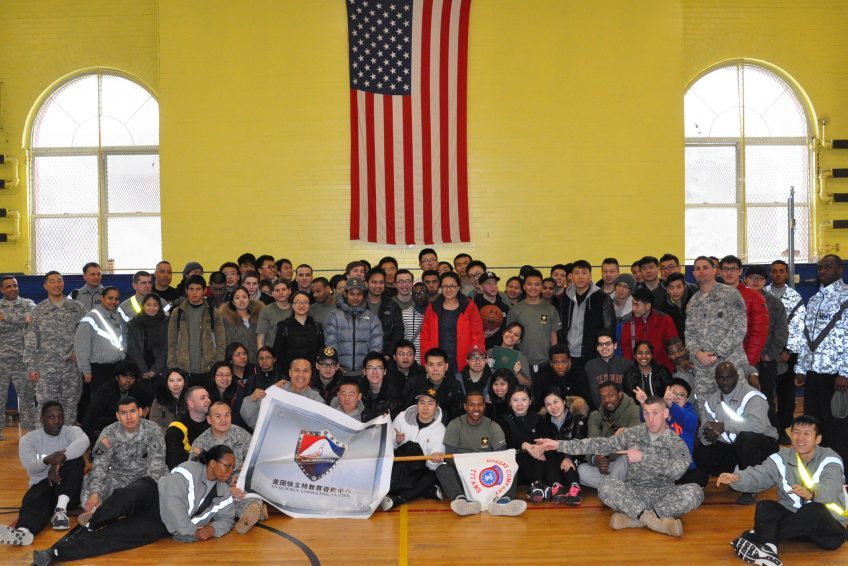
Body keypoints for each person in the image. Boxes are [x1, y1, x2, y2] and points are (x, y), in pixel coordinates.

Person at [32, 445, 236, 565]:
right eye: (227, 466)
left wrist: (212, 529)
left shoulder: (223, 492)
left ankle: (55, 554)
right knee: (122, 499)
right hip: (153, 494)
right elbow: (174, 504)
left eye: (232, 468)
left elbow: (227, 518)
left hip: (161, 524)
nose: (230, 472)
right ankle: (92, 523)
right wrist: (190, 531)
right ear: (212, 463)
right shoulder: (188, 469)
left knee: (115, 538)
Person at [536, 395, 704, 537]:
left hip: (663, 494)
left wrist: (644, 457)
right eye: (646, 413)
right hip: (634, 493)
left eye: (655, 413)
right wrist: (559, 445)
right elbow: (600, 444)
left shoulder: (675, 441)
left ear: (665, 413)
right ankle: (656, 522)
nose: (651, 419)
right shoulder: (634, 433)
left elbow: (678, 471)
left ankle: (636, 519)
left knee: (695, 492)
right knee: (606, 486)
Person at [718, 415, 847, 565]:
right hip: (796, 526)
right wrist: (737, 478)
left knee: (813, 510)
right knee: (765, 506)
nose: (800, 438)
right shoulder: (781, 457)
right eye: (796, 432)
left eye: (806, 433)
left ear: (818, 439)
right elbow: (760, 475)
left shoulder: (830, 458)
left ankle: (759, 536)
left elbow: (832, 487)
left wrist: (812, 493)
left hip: (828, 529)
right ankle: (769, 550)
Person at [0, 403, 88, 546]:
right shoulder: (28, 440)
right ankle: (23, 532)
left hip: (70, 490)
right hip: (44, 486)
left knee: (76, 460)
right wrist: (47, 460)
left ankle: (60, 511)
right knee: (34, 498)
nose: (57, 421)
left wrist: (61, 459)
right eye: (51, 417)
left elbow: (84, 442)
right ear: (42, 419)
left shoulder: (71, 431)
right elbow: (31, 468)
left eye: (60, 417)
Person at [695, 362, 778, 505]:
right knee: (702, 454)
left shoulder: (752, 395)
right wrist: (710, 436)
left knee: (745, 439)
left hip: (763, 444)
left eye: (729, 377)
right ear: (716, 379)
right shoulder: (711, 401)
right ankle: (737, 472)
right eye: (721, 378)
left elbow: (758, 425)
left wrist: (724, 426)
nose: (725, 382)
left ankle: (751, 487)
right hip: (734, 447)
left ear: (737, 377)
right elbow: (703, 434)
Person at [436, 391, 527, 517]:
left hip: (487, 473)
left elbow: (501, 457)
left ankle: (503, 501)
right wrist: (470, 467)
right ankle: (462, 500)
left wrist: (481, 466)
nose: (476, 408)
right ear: (465, 406)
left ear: (484, 406)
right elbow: (451, 457)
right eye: (472, 405)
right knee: (442, 469)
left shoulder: (493, 426)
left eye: (479, 405)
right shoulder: (454, 425)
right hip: (463, 474)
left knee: (511, 465)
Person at [794, 255, 848, 463]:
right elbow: (807, 336)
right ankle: (819, 468)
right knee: (814, 426)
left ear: (840, 270)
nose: (822, 271)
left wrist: (845, 372)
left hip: (836, 377)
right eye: (820, 268)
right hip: (814, 374)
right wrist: (801, 368)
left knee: (838, 429)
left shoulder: (845, 297)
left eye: (828, 267)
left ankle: (840, 472)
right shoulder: (815, 299)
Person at [81, 396, 167, 518]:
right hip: (118, 477)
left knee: (166, 485)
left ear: (140, 412)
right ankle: (94, 513)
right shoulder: (109, 433)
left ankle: (116, 511)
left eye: (132, 411)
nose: (129, 417)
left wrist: (144, 490)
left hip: (145, 477)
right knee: (90, 487)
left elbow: (156, 465)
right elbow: (100, 465)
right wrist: (95, 492)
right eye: (123, 413)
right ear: (117, 416)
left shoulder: (153, 430)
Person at [685, 256, 749, 412]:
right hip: (703, 369)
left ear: (714, 270)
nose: (701, 271)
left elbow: (739, 328)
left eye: (705, 267)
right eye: (697, 268)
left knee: (737, 409)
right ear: (693, 274)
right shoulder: (693, 301)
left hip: (729, 364)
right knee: (707, 411)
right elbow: (689, 333)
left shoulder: (730, 294)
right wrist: (698, 353)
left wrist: (717, 354)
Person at [24, 272, 86, 424]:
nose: (56, 285)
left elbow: (86, 334)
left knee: (70, 406)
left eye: (59, 281)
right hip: (47, 368)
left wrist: (79, 352)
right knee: (45, 407)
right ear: (45, 286)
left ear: (63, 283)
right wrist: (31, 367)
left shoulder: (77, 308)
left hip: (71, 367)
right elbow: (30, 340)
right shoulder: (38, 310)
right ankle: (43, 438)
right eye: (52, 281)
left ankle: (67, 438)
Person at [190, 401, 260, 534]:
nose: (224, 420)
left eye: (227, 415)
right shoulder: (201, 443)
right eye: (218, 416)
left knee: (250, 494)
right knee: (210, 503)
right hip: (213, 488)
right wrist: (226, 489)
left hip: (239, 483)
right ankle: (249, 511)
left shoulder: (241, 435)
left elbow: (255, 462)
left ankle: (249, 510)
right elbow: (196, 478)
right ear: (209, 419)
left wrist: (242, 479)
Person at [381, 387, 446, 510]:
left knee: (431, 476)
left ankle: (398, 499)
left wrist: (435, 459)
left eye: (430, 403)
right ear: (417, 404)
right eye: (422, 402)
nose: (425, 407)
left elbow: (432, 466)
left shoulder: (440, 430)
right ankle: (428, 491)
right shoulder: (402, 417)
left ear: (436, 407)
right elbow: (387, 446)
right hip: (399, 464)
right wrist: (396, 441)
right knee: (410, 447)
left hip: (420, 469)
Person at [634, 377, 704, 486]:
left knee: (700, 477)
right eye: (673, 393)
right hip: (661, 466)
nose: (676, 397)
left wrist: (670, 404)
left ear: (686, 399)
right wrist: (643, 403)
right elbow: (647, 421)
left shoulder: (690, 414)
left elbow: (689, 420)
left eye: (681, 395)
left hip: (683, 467)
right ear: (665, 393)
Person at [745, 265, 789, 434]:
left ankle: (773, 434)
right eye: (752, 278)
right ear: (745, 279)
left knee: (767, 397)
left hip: (764, 360)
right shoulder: (737, 299)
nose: (756, 281)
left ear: (765, 281)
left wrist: (771, 354)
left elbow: (781, 331)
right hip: (742, 359)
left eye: (760, 278)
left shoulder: (775, 303)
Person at [765, 259, 805, 442]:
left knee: (786, 393)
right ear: (770, 273)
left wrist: (788, 350)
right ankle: (769, 427)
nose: (778, 274)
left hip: (787, 354)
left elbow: (799, 326)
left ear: (787, 274)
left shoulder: (795, 297)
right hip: (766, 353)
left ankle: (783, 428)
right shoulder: (763, 294)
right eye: (774, 271)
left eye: (782, 271)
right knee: (766, 392)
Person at [577, 381, 641, 489]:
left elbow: (631, 442)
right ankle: (617, 487)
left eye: (611, 395)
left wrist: (606, 455)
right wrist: (596, 459)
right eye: (603, 397)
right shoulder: (596, 415)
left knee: (625, 458)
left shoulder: (635, 410)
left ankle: (612, 488)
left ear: (620, 394)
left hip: (629, 465)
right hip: (610, 465)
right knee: (581, 471)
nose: (607, 400)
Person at [419, 271, 485, 376]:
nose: (448, 289)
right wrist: (426, 362)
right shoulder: (433, 307)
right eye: (445, 286)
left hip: (463, 363)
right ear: (440, 288)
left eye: (452, 286)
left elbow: (477, 335)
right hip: (437, 364)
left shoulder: (469, 306)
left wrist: (475, 359)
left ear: (458, 287)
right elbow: (425, 337)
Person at [167, 274, 226, 388]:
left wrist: (218, 365)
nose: (194, 293)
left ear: (204, 290)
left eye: (198, 289)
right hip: (183, 368)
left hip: (208, 368)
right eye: (191, 289)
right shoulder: (177, 313)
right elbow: (171, 342)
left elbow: (221, 342)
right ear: (186, 290)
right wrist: (172, 366)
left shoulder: (214, 313)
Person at [533, 387, 589, 505]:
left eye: (556, 402)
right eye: (548, 404)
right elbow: (544, 443)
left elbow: (580, 442)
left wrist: (568, 457)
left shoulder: (577, 417)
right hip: (555, 458)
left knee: (565, 459)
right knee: (548, 457)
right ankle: (557, 486)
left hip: (576, 456)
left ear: (563, 401)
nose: (553, 407)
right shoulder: (544, 420)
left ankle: (575, 488)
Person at [559, 260, 615, 373]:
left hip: (593, 355)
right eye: (576, 273)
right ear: (572, 276)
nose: (580, 277)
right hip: (568, 354)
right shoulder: (565, 297)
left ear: (590, 275)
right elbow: (560, 326)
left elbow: (609, 328)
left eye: (584, 273)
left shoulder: (602, 298)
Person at [506, 270, 561, 381]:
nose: (533, 287)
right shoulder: (515, 309)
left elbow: (553, 335)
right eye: (529, 284)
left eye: (537, 284)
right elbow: (509, 338)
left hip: (545, 363)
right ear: (524, 287)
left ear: (541, 287)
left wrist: (553, 358)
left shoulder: (550, 309)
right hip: (521, 363)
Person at [81, 360, 151, 446]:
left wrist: (146, 409)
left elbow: (149, 399)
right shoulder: (106, 391)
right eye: (124, 377)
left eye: (132, 378)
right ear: (117, 377)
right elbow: (92, 419)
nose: (128, 381)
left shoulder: (134, 388)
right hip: (101, 431)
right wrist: (122, 418)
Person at [74, 286, 127, 398]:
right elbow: (81, 346)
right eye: (110, 298)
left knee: (116, 401)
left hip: (116, 368)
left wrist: (122, 357)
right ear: (102, 298)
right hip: (99, 371)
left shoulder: (118, 316)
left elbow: (123, 340)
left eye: (116, 299)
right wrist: (86, 370)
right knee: (100, 402)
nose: (114, 302)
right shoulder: (91, 318)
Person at [323, 277, 383, 376]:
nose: (355, 297)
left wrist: (370, 366)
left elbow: (376, 344)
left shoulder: (372, 317)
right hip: (340, 371)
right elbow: (330, 342)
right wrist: (334, 362)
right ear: (346, 294)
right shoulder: (334, 316)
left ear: (363, 295)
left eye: (359, 294)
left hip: (365, 372)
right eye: (352, 294)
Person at [0, 275, 37, 432]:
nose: (13, 289)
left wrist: (5, 318)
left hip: (23, 360)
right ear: (2, 290)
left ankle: (31, 432)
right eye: (8, 286)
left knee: (27, 398)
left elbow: (31, 318)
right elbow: (24, 320)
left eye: (15, 285)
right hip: (1, 360)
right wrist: (19, 321)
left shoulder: (27, 303)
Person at [501, 385, 550, 503]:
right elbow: (508, 440)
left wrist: (540, 449)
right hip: (515, 465)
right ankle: (538, 485)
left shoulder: (538, 418)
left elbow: (545, 438)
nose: (520, 404)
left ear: (530, 401)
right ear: (510, 402)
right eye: (515, 400)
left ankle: (537, 486)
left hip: (536, 463)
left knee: (543, 455)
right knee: (525, 455)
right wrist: (528, 447)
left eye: (524, 400)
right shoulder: (503, 420)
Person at [720, 255, 770, 369]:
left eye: (733, 269)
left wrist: (748, 363)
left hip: (742, 360)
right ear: (720, 272)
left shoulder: (754, 297)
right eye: (725, 269)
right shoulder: (713, 295)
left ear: (740, 271)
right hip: (717, 359)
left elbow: (759, 333)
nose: (729, 272)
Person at [620, 287, 678, 373]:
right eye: (633, 304)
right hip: (637, 372)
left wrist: (669, 372)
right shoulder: (628, 323)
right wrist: (630, 372)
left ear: (648, 306)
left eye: (637, 305)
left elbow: (673, 348)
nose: (633, 309)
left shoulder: (665, 320)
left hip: (662, 371)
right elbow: (626, 352)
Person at [403, 348, 464, 425]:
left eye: (439, 364)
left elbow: (458, 415)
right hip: (416, 425)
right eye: (431, 365)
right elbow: (406, 410)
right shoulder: (414, 383)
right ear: (425, 367)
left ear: (446, 366)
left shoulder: (454, 385)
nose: (435, 369)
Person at [126, 293, 169, 396]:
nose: (152, 308)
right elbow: (132, 347)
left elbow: (166, 348)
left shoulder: (166, 322)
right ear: (143, 306)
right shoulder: (134, 322)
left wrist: (155, 369)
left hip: (161, 369)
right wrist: (143, 369)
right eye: (148, 305)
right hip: (140, 369)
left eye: (155, 305)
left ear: (160, 306)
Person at [274, 290, 324, 372]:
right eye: (297, 302)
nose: (301, 305)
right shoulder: (283, 326)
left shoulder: (317, 327)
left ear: (309, 305)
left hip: (312, 372)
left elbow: (321, 353)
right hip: (289, 373)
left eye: (305, 302)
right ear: (292, 305)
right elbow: (278, 354)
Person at [165, 386, 212, 470]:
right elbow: (174, 460)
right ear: (191, 403)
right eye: (202, 398)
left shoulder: (214, 422)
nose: (208, 401)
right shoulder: (176, 427)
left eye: (208, 397)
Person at [584, 330, 632, 409]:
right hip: (600, 410)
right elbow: (594, 393)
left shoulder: (626, 364)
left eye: (608, 343)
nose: (604, 347)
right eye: (600, 344)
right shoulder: (590, 366)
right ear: (597, 347)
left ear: (615, 345)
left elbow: (629, 392)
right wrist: (602, 410)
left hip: (624, 409)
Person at [219, 286, 263, 364]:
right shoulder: (225, 319)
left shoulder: (260, 316)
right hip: (235, 362)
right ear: (232, 302)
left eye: (244, 297)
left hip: (257, 361)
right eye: (237, 298)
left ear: (249, 299)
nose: (241, 300)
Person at [532, 344, 583, 409]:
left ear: (569, 361)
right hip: (550, 411)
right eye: (556, 363)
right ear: (550, 363)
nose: (560, 366)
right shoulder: (542, 374)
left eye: (564, 362)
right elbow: (538, 402)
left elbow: (584, 400)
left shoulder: (578, 373)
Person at [365, 268, 404, 353]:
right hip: (361, 355)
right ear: (366, 283)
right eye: (374, 282)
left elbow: (398, 333)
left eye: (381, 282)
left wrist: (388, 354)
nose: (378, 286)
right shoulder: (359, 305)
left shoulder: (392, 306)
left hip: (385, 355)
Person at [359, 351, 403, 421]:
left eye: (379, 368)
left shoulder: (395, 390)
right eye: (370, 368)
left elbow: (394, 416)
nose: (374, 372)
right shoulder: (358, 389)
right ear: (364, 371)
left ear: (385, 371)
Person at [487, 321, 531, 388]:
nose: (511, 335)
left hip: (512, 391)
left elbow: (528, 384)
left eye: (516, 335)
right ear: (503, 333)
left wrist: (517, 373)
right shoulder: (490, 352)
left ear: (518, 341)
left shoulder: (521, 357)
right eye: (509, 331)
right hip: (491, 390)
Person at [474, 271, 510, 349]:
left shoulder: (505, 307)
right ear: (481, 287)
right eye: (488, 284)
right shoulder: (474, 308)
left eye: (494, 283)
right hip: (481, 351)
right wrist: (482, 336)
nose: (493, 286)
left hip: (501, 351)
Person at [256, 279, 292, 350]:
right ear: (272, 293)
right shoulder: (266, 310)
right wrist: (261, 353)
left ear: (289, 291)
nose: (281, 292)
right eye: (277, 290)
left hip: (293, 352)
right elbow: (261, 337)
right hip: (271, 352)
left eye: (284, 289)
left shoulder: (296, 309)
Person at [658, 272, 693, 339]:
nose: (675, 291)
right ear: (667, 290)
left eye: (679, 287)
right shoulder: (663, 308)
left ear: (684, 287)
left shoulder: (693, 301)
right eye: (671, 288)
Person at [401, 281, 428, 355]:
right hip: (411, 358)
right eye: (415, 294)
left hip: (429, 358)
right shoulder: (405, 314)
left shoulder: (434, 313)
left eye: (422, 293)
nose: (419, 296)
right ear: (412, 296)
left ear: (427, 294)